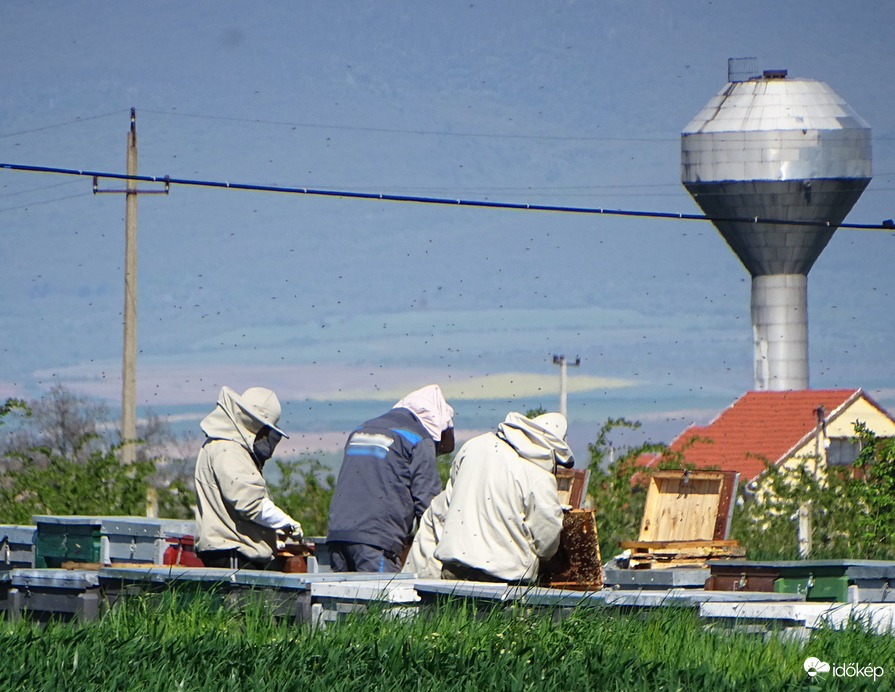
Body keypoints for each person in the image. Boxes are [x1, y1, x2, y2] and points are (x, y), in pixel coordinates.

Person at [425, 411, 574, 583]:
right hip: (505, 578)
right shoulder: (540, 476)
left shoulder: (474, 446)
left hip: (454, 566)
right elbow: (547, 535)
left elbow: (449, 503)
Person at [326, 384, 455, 572]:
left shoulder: (363, 429)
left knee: (341, 599)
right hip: (376, 543)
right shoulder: (418, 439)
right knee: (382, 600)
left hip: (337, 536)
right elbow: (429, 505)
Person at [194, 386, 303, 570]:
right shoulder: (229, 449)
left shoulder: (221, 444)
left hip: (228, 551)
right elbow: (250, 503)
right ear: (256, 424)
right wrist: (286, 523)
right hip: (234, 554)